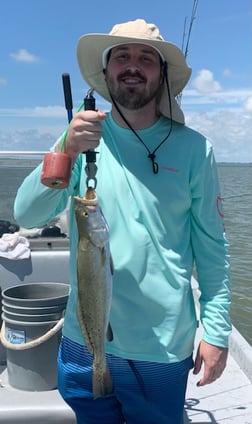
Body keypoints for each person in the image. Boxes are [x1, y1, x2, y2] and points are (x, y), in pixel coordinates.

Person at [14, 19, 231, 424]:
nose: (133, 65)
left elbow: (213, 251)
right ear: (107, 71)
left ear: (161, 74)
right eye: (122, 56)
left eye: (146, 58)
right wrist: (66, 146)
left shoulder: (195, 150)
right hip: (85, 341)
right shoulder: (81, 137)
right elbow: (27, 214)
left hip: (161, 348)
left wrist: (217, 333)